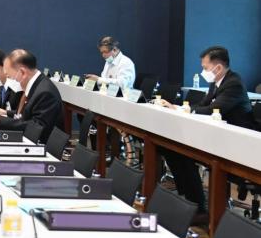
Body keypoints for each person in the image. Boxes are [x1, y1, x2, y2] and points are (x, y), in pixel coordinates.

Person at [157, 46, 255, 215]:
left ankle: (197, 206)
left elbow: (213, 109)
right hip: (218, 136)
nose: (203, 71)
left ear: (218, 67)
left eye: (205, 67)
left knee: (184, 153)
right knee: (170, 148)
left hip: (237, 142)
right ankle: (188, 198)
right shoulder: (215, 83)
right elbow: (203, 105)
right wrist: (178, 108)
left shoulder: (233, 83)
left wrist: (185, 110)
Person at [0, 49, 63, 143]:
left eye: (9, 77)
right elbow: (27, 115)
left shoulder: (45, 93)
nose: (8, 81)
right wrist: (6, 113)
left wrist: (1, 122)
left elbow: (37, 128)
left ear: (22, 72)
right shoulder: (37, 85)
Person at [84, 36, 137, 165]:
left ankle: (112, 155)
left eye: (105, 52)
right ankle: (101, 152)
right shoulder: (108, 62)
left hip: (123, 102)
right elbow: (104, 80)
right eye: (101, 52)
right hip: (109, 100)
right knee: (88, 116)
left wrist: (99, 80)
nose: (103, 55)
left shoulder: (126, 63)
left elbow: (122, 83)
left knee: (104, 123)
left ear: (114, 50)